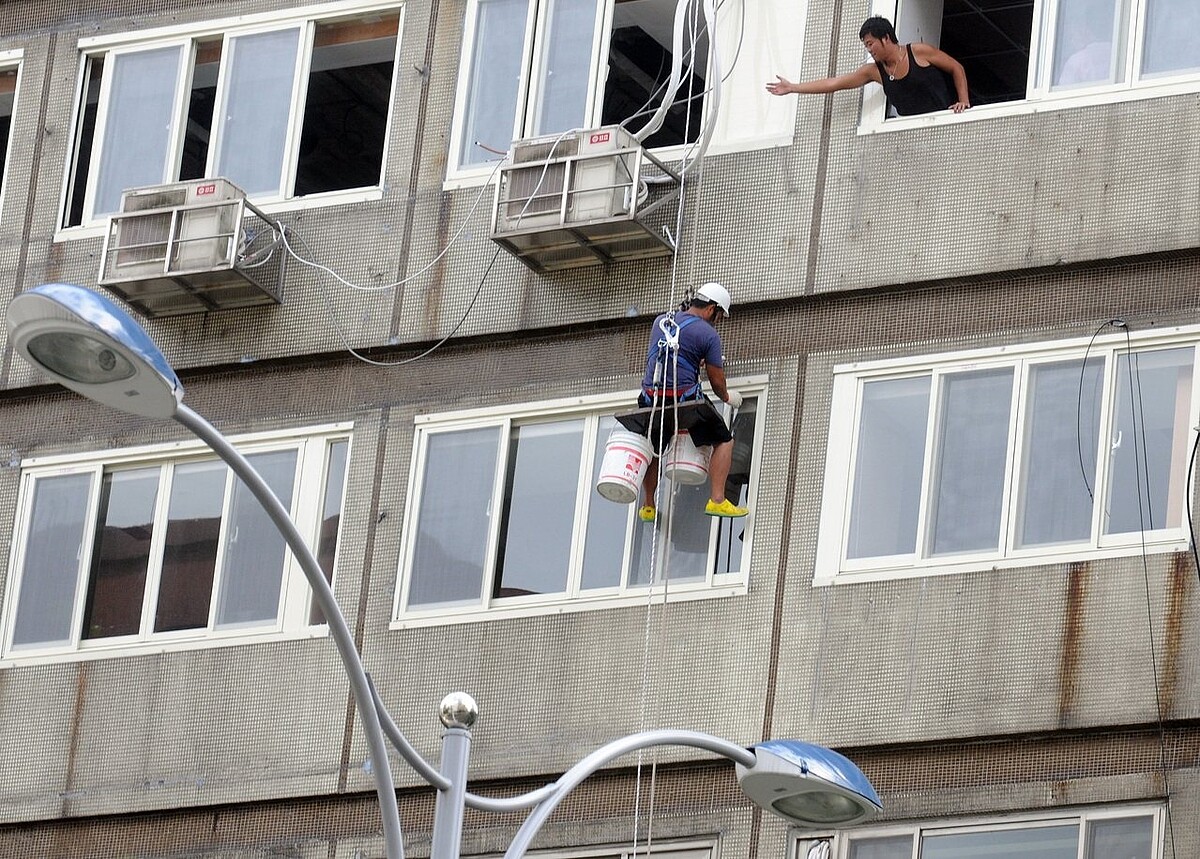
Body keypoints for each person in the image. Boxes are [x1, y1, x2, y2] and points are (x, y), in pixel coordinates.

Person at [637, 282, 748, 521]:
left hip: (652, 400)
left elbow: (670, 358)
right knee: (724, 440)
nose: (717, 321)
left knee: (655, 448)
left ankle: (648, 505)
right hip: (684, 402)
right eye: (718, 316)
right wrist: (728, 397)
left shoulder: (661, 322)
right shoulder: (708, 334)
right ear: (711, 309)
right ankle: (718, 500)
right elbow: (717, 380)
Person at [766, 16, 970, 116]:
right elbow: (834, 83)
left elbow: (956, 68)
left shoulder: (918, 52)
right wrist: (793, 87)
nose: (869, 50)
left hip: (944, 119)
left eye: (871, 44)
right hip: (912, 130)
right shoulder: (873, 71)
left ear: (886, 38)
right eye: (866, 46)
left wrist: (964, 101)